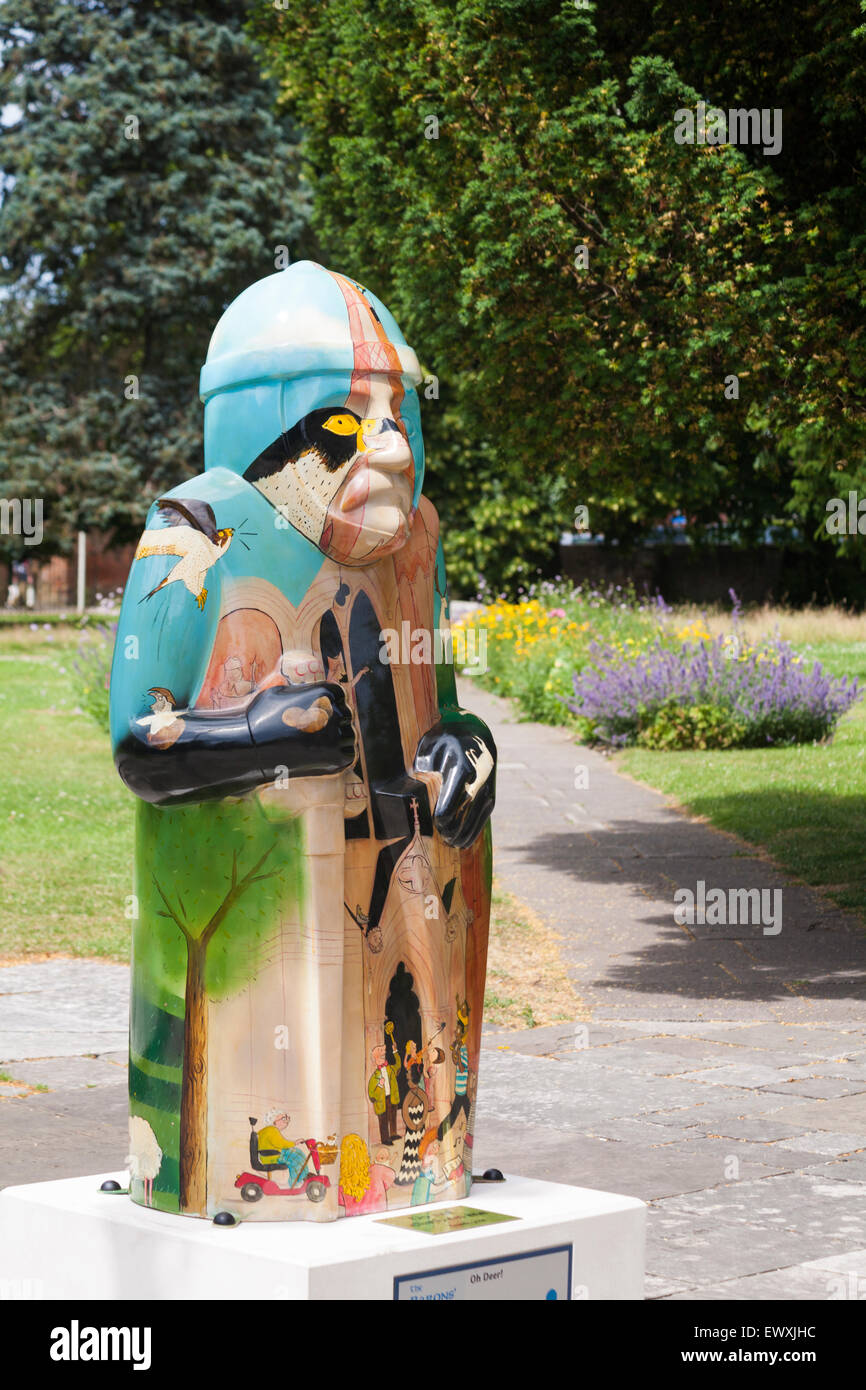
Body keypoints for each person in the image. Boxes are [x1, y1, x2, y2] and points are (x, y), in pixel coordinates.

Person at [338, 1135, 396, 1216]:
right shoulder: (378, 1170)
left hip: (355, 1223)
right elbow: (391, 1176)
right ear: (364, 1152)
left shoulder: (343, 1184)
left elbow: (340, 1201)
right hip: (380, 1218)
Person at [255, 1110, 307, 1185]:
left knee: (297, 1152)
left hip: (269, 1154)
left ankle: (299, 1179)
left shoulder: (267, 1130)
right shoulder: (272, 1130)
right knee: (297, 1158)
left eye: (287, 1118)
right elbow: (281, 1143)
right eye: (283, 1118)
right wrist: (295, 1142)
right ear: (274, 1121)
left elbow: (278, 1144)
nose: (286, 1121)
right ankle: (295, 1182)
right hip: (271, 1157)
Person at [368, 1037, 401, 1145]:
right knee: (383, 1120)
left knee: (392, 1116)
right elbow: (371, 1094)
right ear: (376, 1061)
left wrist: (395, 1051)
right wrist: (379, 1085)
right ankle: (385, 1139)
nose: (382, 1058)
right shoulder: (374, 1077)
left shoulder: (390, 1069)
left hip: (391, 1097)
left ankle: (393, 1134)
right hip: (381, 1101)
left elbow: (398, 1065)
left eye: (383, 1056)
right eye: (380, 1057)